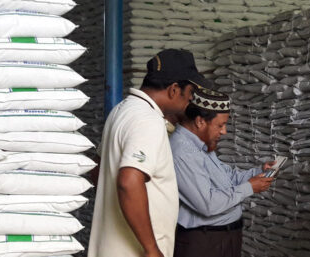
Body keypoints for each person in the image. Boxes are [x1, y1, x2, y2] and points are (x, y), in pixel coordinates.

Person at [88, 49, 210, 257]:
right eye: (189, 94)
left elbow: (97, 170)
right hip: (133, 251)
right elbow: (128, 181)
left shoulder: (121, 110)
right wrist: (152, 249)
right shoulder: (148, 120)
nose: (190, 101)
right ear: (174, 90)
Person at [170, 86, 275, 257]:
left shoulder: (202, 145)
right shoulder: (183, 152)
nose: (224, 131)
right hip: (205, 243)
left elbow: (228, 178)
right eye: (220, 125)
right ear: (200, 121)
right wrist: (250, 187)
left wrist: (259, 172)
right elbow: (207, 204)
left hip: (222, 238)